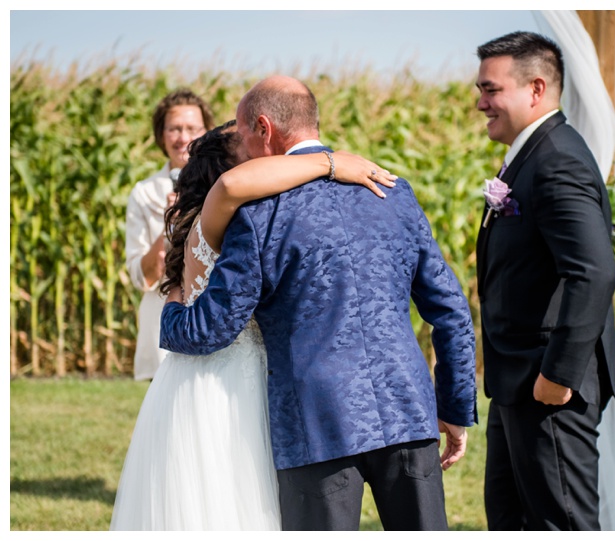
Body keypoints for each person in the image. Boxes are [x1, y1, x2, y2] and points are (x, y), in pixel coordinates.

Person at [160, 75, 478, 531]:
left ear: (264, 129)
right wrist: (453, 404)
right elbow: (450, 309)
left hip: (315, 423)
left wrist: (171, 314)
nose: (242, 149)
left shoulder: (258, 215)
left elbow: (212, 328)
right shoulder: (394, 192)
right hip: (407, 409)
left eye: (243, 133)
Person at [111, 120, 397, 530]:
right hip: (223, 382)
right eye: (248, 152)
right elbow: (232, 187)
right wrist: (330, 162)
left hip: (222, 372)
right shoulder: (220, 209)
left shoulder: (231, 219)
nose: (267, 156)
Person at [475, 31, 615, 530]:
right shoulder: (531, 153)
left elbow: (593, 271)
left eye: (491, 90)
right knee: (512, 518)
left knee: (561, 524)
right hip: (517, 380)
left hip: (548, 385)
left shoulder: (556, 157)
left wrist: (558, 376)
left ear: (535, 89)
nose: (480, 103)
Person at [125, 89, 215, 380]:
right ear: (161, 135)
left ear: (206, 132)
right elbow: (141, 276)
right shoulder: (144, 193)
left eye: (192, 128)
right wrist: (169, 227)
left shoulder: (224, 185)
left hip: (212, 314)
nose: (182, 137)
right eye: (174, 128)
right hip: (162, 316)